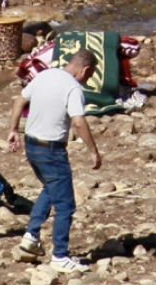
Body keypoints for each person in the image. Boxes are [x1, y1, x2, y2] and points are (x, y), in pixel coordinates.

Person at [6, 49, 102, 273]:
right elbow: (78, 122)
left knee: (50, 187)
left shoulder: (44, 75)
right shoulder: (73, 88)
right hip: (51, 150)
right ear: (85, 70)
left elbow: (20, 100)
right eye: (89, 76)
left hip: (31, 144)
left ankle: (31, 235)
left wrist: (12, 130)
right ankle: (60, 255)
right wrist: (93, 151)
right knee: (65, 205)